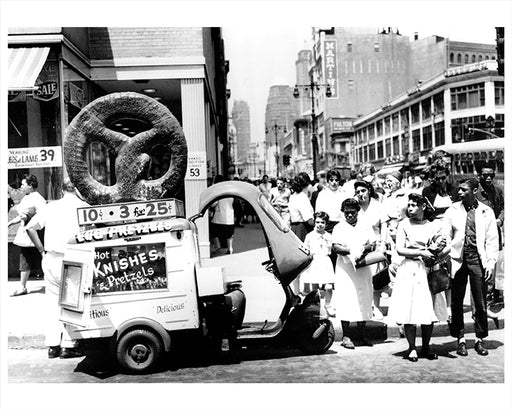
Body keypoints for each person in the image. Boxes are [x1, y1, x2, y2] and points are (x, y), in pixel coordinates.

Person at [25, 178, 89, 359]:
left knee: (52, 302)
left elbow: (30, 228)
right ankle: (68, 345)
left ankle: (53, 345)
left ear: (62, 190)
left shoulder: (50, 207)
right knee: (72, 301)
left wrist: (41, 251)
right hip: (73, 256)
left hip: (51, 257)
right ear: (77, 189)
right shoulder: (84, 207)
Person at [387, 194, 449, 362]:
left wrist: (435, 254)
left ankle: (426, 347)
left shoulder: (433, 225)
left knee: (427, 308)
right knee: (410, 309)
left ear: (423, 206)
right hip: (410, 267)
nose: (410, 208)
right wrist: (421, 252)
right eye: (409, 205)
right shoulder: (403, 225)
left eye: (414, 205)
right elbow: (400, 249)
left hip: (428, 269)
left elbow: (444, 245)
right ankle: (412, 347)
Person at [442, 178, 499, 357]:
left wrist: (490, 263)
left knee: (480, 302)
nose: (459, 193)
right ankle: (460, 339)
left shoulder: (486, 211)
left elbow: (491, 239)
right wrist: (446, 255)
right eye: (459, 189)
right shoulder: (452, 210)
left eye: (464, 190)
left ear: (474, 191)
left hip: (477, 258)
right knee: (457, 302)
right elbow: (445, 234)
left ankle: (479, 339)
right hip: (458, 258)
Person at [332, 198, 379, 349]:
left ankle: (361, 334)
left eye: (352, 213)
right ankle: (346, 336)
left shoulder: (365, 225)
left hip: (362, 265)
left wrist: (363, 249)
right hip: (345, 268)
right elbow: (335, 247)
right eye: (347, 213)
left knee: (363, 297)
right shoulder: (339, 227)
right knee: (346, 298)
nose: (350, 216)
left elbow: (372, 243)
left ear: (358, 211)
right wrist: (351, 250)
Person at [354, 180, 389, 320]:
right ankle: (365, 306)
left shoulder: (377, 206)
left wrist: (383, 243)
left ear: (369, 190)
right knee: (363, 277)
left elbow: (384, 225)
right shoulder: (355, 207)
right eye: (358, 192)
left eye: (363, 191)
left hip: (376, 244)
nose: (361, 194)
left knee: (377, 277)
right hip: (360, 246)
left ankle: (376, 306)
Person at [7, 174, 47, 296]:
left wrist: (29, 218)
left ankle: (53, 284)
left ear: (30, 185)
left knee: (44, 258)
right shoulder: (26, 198)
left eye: (24, 184)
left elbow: (43, 215)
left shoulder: (38, 199)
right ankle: (22, 287)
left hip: (36, 234)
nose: (22, 186)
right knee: (24, 259)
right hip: (26, 234)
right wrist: (9, 223)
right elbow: (21, 215)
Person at [475, 162, 505, 310]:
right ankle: (483, 297)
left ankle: (493, 294)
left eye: (491, 175)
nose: (488, 178)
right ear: (479, 176)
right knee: (481, 265)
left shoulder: (498, 191)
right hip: (480, 235)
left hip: (495, 234)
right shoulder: (475, 192)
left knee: (495, 262)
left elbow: (504, 207)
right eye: (485, 175)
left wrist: (500, 219)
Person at [302, 211, 335, 316]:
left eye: (323, 222)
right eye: (317, 222)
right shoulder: (310, 236)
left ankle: (328, 305)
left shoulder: (329, 236)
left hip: (325, 261)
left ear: (326, 224)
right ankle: (316, 308)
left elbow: (331, 250)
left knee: (328, 286)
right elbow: (305, 248)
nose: (320, 225)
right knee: (315, 287)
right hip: (315, 262)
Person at [315, 169, 348, 234]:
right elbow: (318, 212)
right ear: (328, 181)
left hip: (341, 224)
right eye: (331, 180)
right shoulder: (322, 194)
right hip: (328, 226)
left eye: (336, 180)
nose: (334, 182)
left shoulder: (343, 193)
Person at [211, 175, 236, 254]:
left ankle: (217, 246)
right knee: (229, 234)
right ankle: (230, 248)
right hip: (229, 216)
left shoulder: (218, 191)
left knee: (213, 232)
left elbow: (214, 204)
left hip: (219, 216)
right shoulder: (230, 191)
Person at [288, 174, 314, 242]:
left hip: (294, 228)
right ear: (307, 185)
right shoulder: (302, 198)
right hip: (303, 229)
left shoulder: (293, 196)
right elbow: (309, 220)